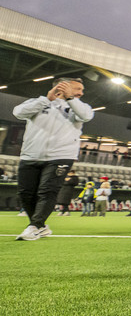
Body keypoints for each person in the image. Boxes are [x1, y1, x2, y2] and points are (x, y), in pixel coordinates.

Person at [13, 77, 94, 240]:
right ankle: (40, 226)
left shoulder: (79, 107)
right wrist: (46, 99)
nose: (81, 93)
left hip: (61, 155)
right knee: (26, 193)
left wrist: (70, 98)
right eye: (77, 89)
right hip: (30, 154)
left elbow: (86, 116)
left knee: (47, 190)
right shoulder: (38, 102)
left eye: (81, 90)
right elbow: (18, 113)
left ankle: (35, 226)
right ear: (61, 87)